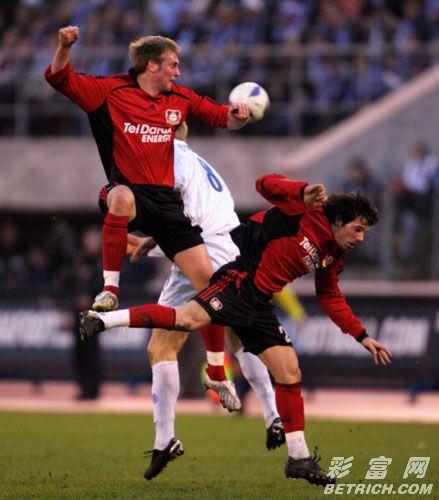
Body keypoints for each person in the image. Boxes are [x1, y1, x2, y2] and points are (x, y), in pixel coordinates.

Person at [80, 173, 393, 487]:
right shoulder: (306, 210)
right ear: (338, 220)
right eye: (358, 229)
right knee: (185, 320)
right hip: (238, 281)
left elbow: (329, 295)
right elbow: (264, 183)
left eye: (365, 232)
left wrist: (362, 336)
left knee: (289, 371)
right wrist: (300, 191)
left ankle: (298, 457)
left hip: (260, 304)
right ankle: (104, 320)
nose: (361, 238)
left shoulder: (334, 255)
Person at [44, 26, 250, 403]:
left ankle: (216, 371)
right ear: (151, 65)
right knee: (120, 197)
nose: (178, 72)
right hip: (130, 192)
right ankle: (110, 290)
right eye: (173, 65)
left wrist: (239, 115)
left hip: (166, 204)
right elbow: (58, 78)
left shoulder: (180, 98)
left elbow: (223, 118)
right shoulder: (109, 91)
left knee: (210, 287)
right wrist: (64, 46)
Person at [127, 123, 285, 479]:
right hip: (231, 247)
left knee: (162, 345)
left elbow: (182, 221)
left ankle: (166, 436)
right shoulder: (200, 162)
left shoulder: (168, 159)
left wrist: (149, 239)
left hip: (201, 249)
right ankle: (272, 413)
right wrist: (152, 241)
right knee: (240, 334)